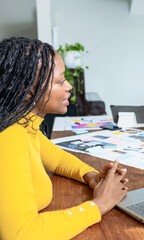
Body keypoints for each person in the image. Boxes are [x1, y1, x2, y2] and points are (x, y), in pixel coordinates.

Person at [0, 37, 129, 239]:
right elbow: (22, 234)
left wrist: (92, 176)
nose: (69, 86)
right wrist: (99, 205)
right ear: (27, 91)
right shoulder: (9, 136)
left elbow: (57, 158)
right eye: (60, 81)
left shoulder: (23, 125)